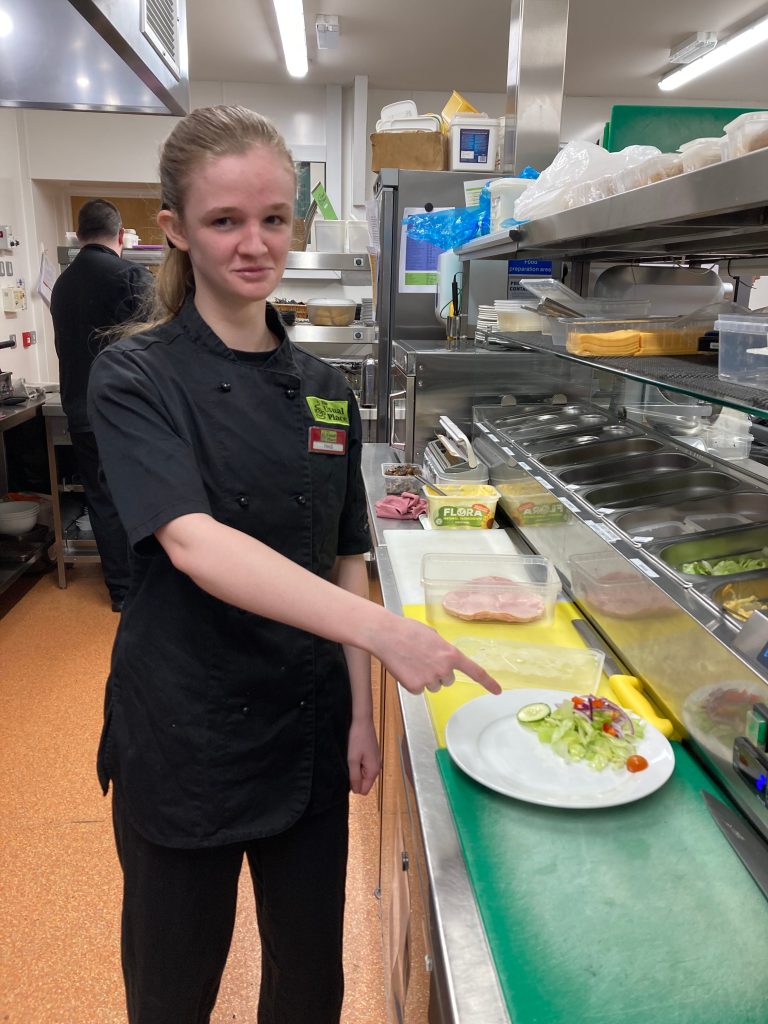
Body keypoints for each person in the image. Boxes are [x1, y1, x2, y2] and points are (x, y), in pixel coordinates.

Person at [86, 104, 500, 1024]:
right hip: (184, 731)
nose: (253, 243)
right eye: (225, 221)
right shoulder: (134, 377)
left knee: (311, 986)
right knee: (172, 986)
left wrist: (361, 713)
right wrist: (386, 634)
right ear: (176, 231)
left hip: (307, 731)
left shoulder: (326, 391)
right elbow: (193, 541)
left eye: (273, 218)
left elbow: (345, 553)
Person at [50, 198, 154, 611]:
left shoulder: (62, 283)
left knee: (103, 500)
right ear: (122, 234)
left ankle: (123, 593)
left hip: (81, 409)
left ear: (78, 235)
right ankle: (151, 590)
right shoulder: (130, 275)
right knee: (144, 496)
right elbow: (157, 344)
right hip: (128, 411)